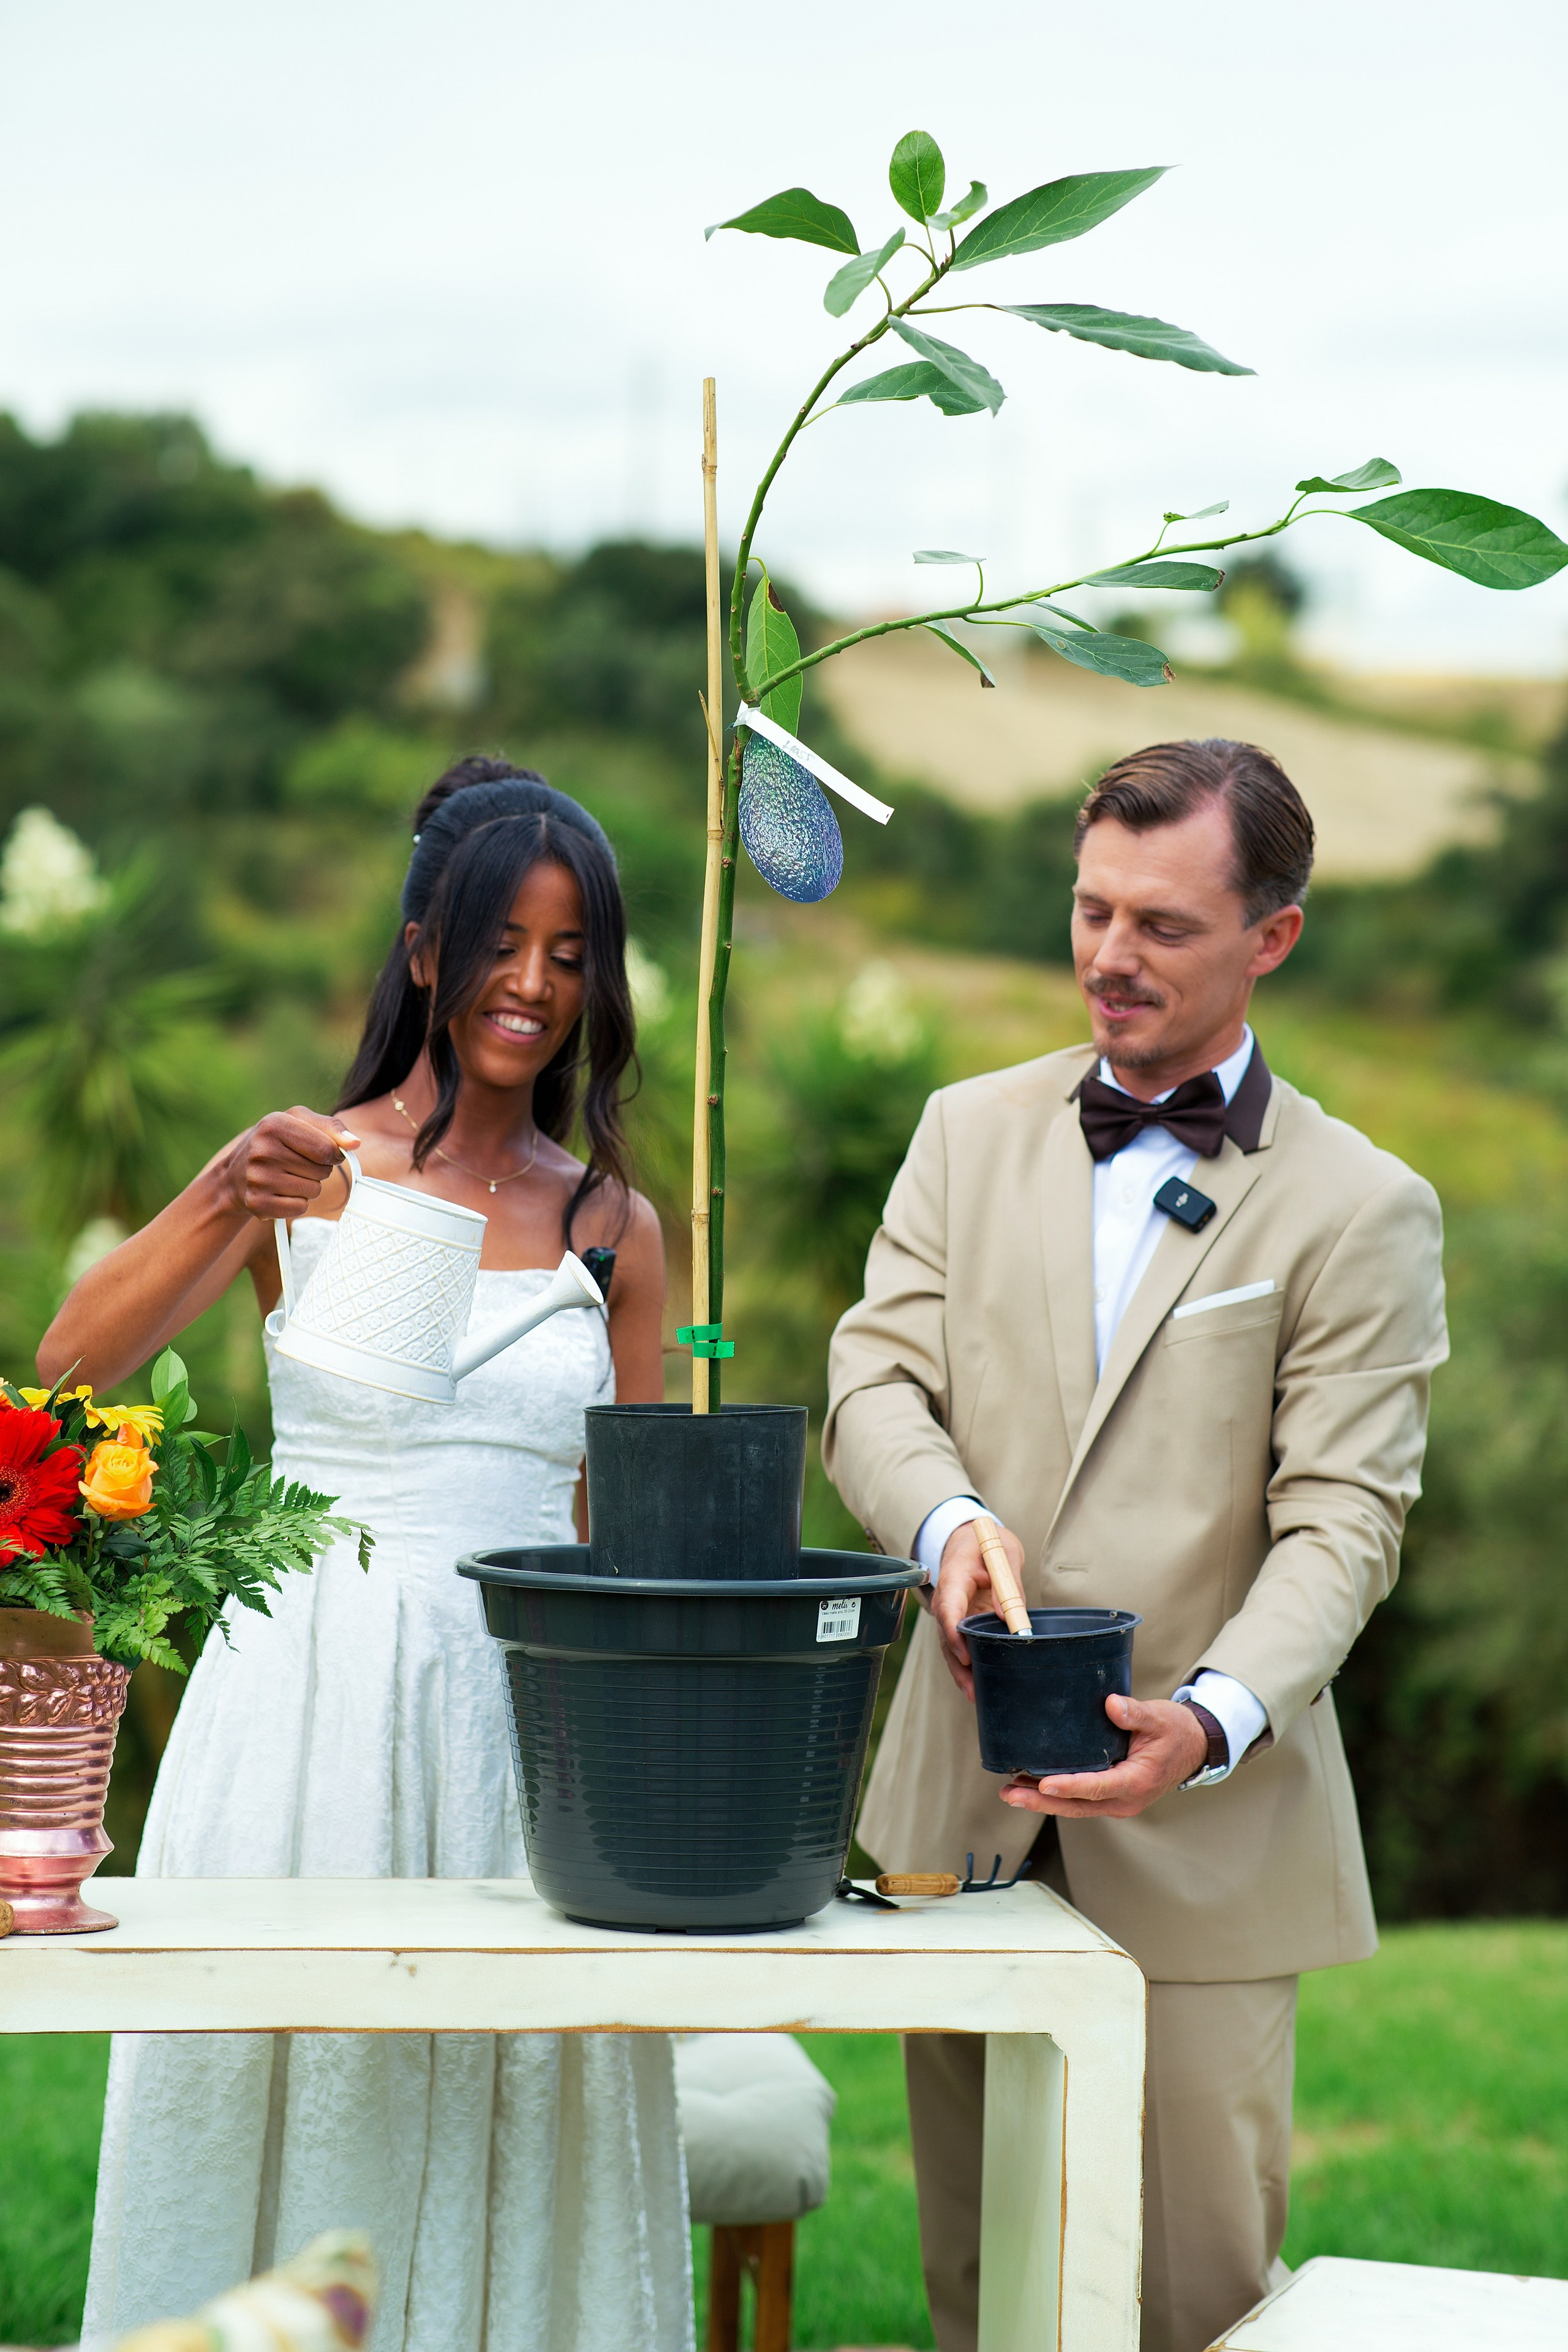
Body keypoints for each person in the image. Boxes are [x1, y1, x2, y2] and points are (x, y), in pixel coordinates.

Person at [42, 759, 692, 2352]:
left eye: (569, 952)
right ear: (423, 953)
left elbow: (643, 1535)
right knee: (289, 2074)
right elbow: (69, 1363)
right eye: (501, 943)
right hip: (307, 1692)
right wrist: (217, 1193)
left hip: (523, 1711)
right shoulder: (316, 1171)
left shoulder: (613, 1223)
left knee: (511, 2082)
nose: (533, 984)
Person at [823, 738, 1447, 2352]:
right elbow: (873, 1380)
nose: (1109, 955)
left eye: (1163, 924)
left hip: (1213, 1846)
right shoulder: (964, 1131)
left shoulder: (1366, 1206)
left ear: (1273, 938)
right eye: (1094, 909)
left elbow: (1346, 1519)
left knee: (1190, 2306)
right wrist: (949, 1522)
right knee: (982, 2299)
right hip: (955, 1822)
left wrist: (1216, 1721)